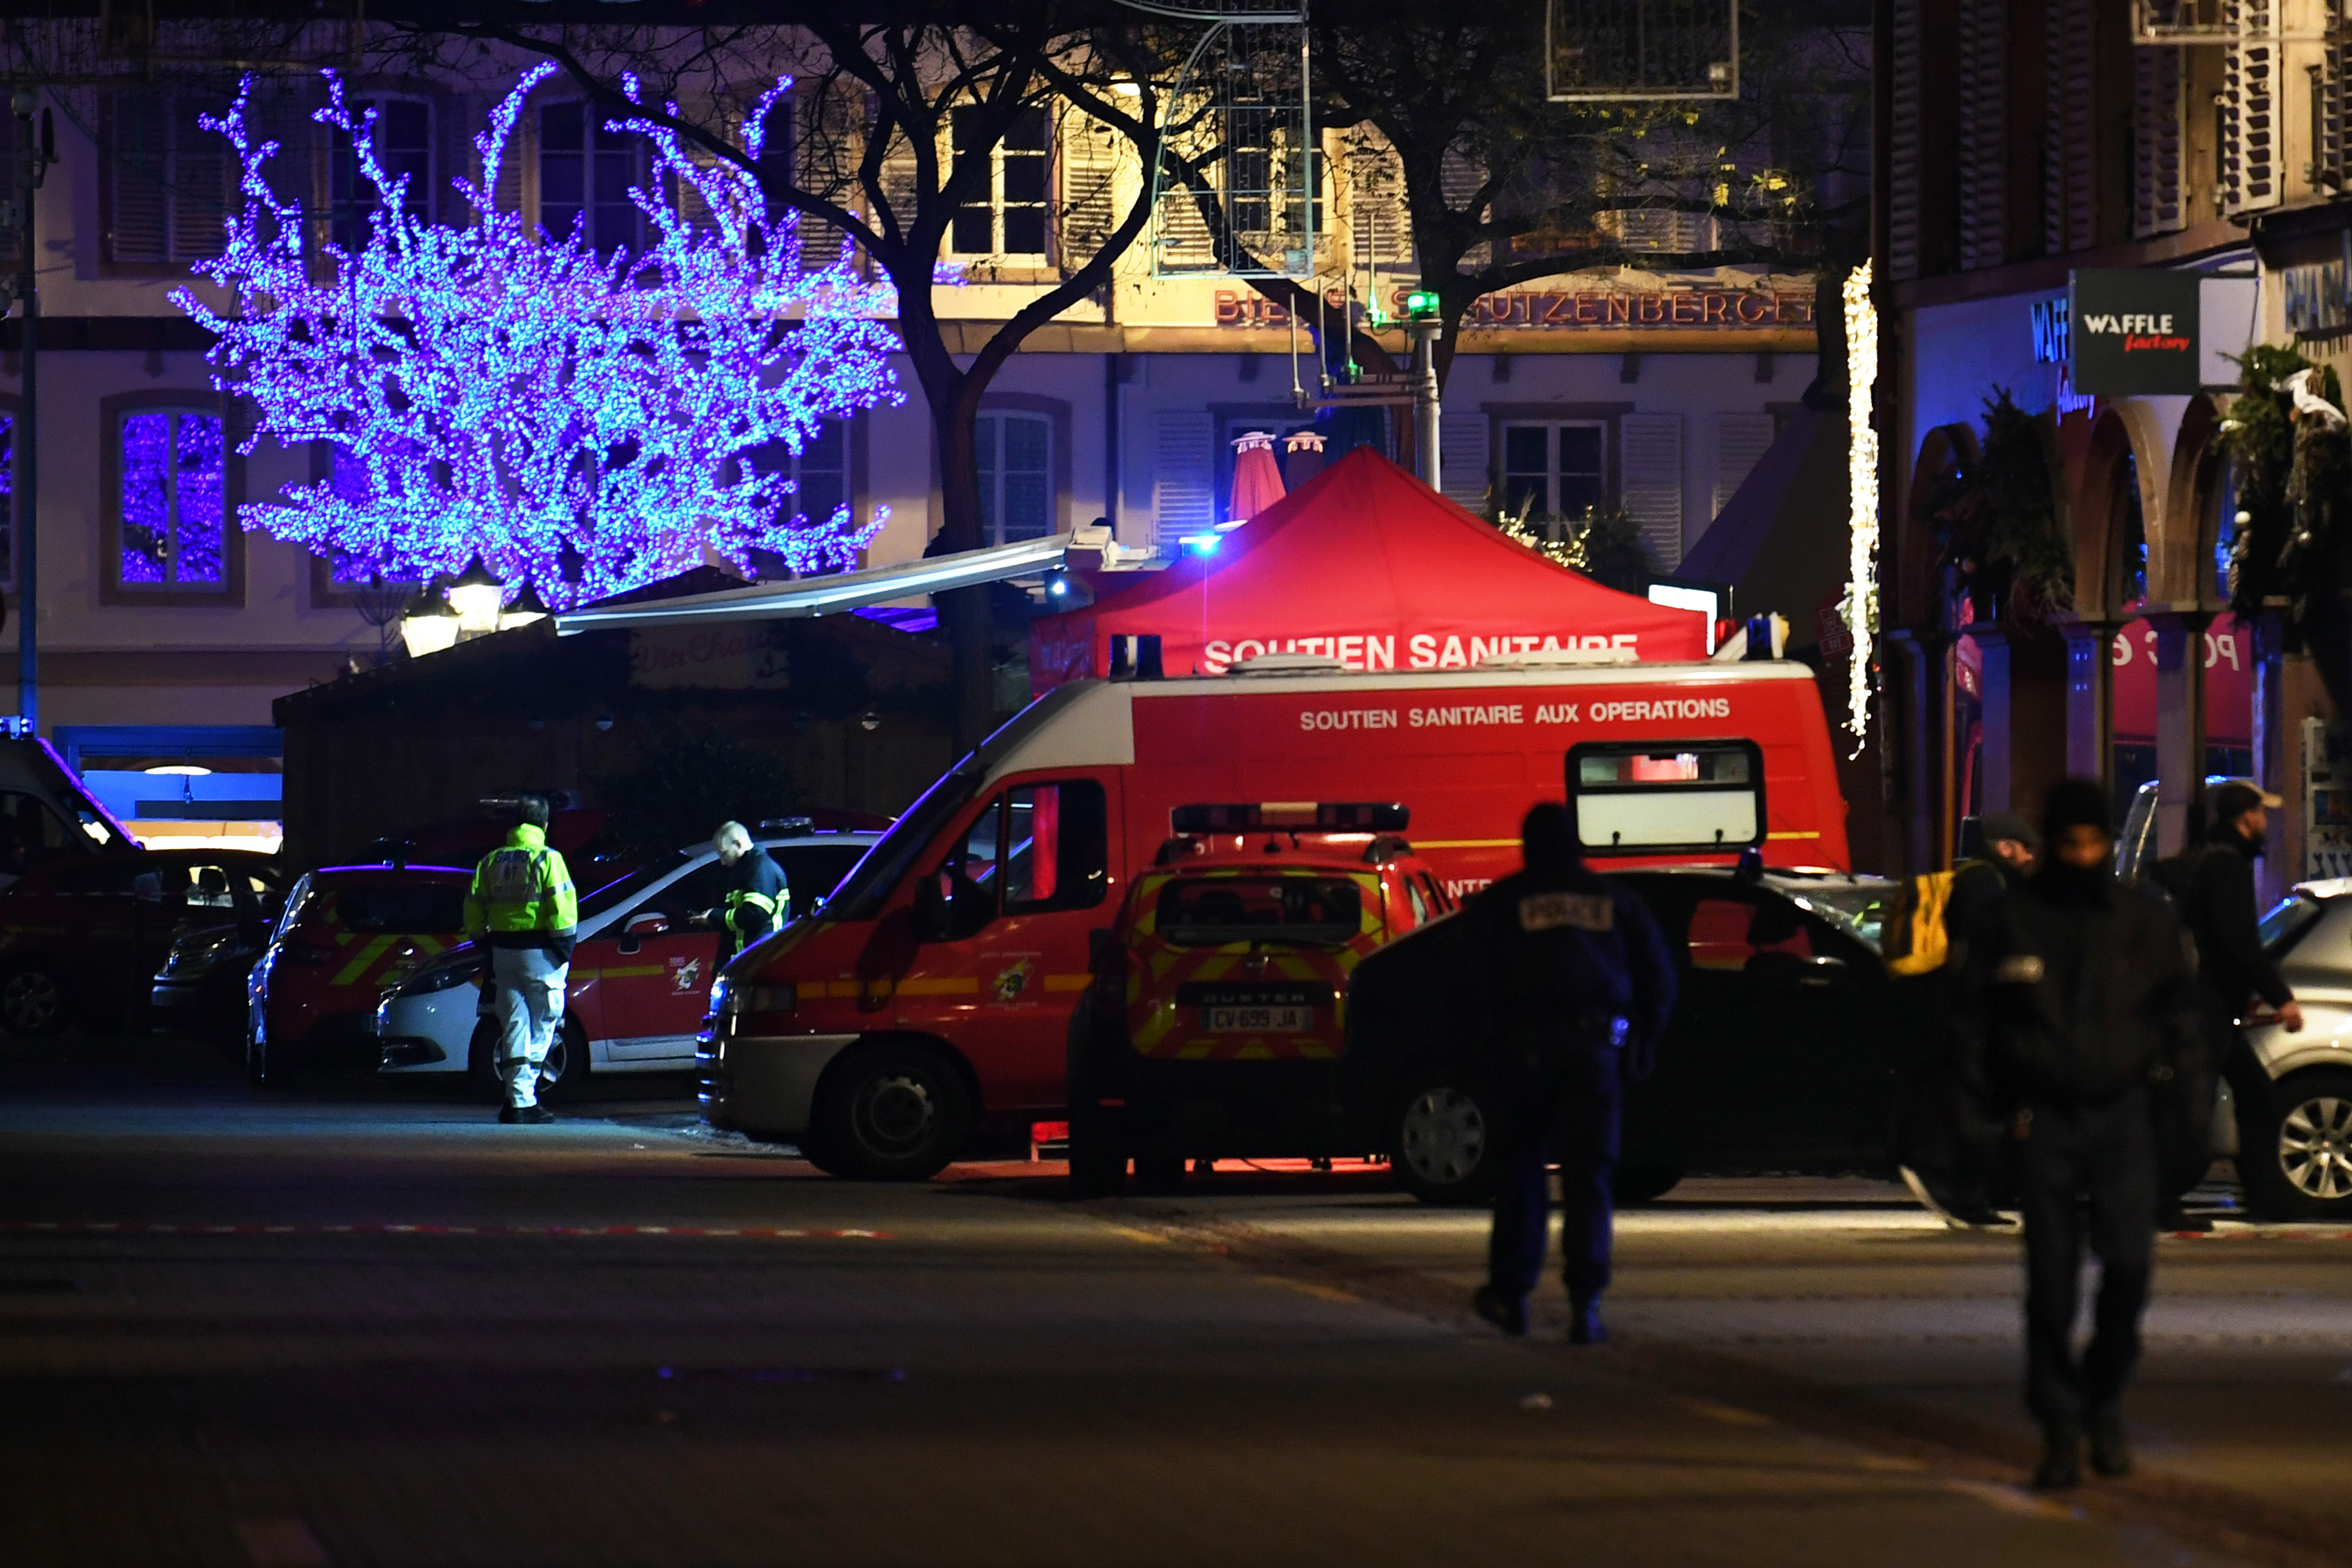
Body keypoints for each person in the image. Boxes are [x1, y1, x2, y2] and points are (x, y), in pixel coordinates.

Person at [1949, 778, 2198, 1489]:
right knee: (2051, 1285)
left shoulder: (2142, 921)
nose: (2083, 855)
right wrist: (1977, 1120)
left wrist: (2184, 1115)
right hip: (2043, 1117)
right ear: (2051, 845)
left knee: (2128, 1268)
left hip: (2123, 1115)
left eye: (2093, 844)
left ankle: (2104, 1396)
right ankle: (2061, 1426)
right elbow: (1971, 1025)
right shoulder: (2010, 920)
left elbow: (2181, 1020)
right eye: (2071, 844)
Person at [1466, 803, 1677, 1345]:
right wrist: (1641, 1044)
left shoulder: (1504, 902)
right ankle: (1585, 1305)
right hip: (1594, 1053)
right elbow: (1658, 977)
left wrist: (1484, 1048)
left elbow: (1468, 983)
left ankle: (1511, 1296)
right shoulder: (1613, 901)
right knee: (1589, 1179)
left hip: (1525, 1054)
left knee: (1521, 1174)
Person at [2160, 780, 2304, 1228]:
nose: (2267, 822)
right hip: (2207, 1010)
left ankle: (2264, 1201)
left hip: (2212, 1007)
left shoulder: (2214, 859)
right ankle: (2162, 1201)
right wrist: (2282, 998)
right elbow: (2239, 942)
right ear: (2248, 817)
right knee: (2194, 1113)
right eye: (2263, 814)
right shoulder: (2227, 867)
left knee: (2255, 1098)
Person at [464, 794, 579, 1125]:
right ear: (544, 824)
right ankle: (525, 1098)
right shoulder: (547, 858)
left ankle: (516, 1100)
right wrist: (564, 950)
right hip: (541, 952)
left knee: (514, 1024)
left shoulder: (490, 861)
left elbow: (473, 908)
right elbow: (563, 910)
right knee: (547, 1020)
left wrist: (486, 944)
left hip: (503, 953)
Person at [704, 821, 788, 957]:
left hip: (761, 958)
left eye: (724, 854)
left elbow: (756, 914)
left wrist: (716, 916)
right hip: (751, 959)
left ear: (738, 844)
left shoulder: (759, 868)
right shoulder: (747, 869)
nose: (722, 861)